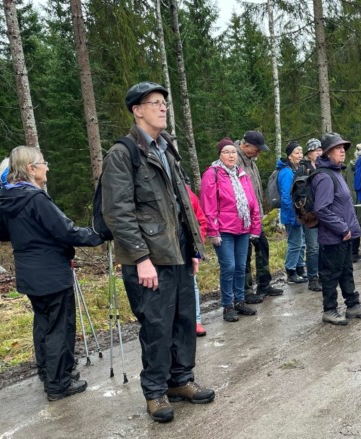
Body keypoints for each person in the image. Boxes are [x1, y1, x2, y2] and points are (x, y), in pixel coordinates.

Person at [101, 81, 214, 422]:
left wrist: (192, 246)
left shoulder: (167, 149)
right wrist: (140, 259)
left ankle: (181, 381)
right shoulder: (122, 154)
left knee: (183, 320)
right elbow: (118, 212)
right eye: (154, 102)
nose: (163, 107)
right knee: (156, 326)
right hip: (148, 260)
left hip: (177, 252)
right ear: (137, 110)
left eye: (164, 102)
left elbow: (182, 204)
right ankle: (155, 392)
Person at [0, 146, 103, 401]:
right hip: (50, 272)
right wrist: (98, 235)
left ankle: (48, 373)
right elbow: (66, 231)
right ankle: (59, 383)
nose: (47, 166)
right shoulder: (34, 198)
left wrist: (21, 234)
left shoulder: (8, 196)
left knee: (44, 324)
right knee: (60, 327)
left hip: (29, 273)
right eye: (43, 162)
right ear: (31, 168)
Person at [312, 133, 361, 325]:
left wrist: (350, 229)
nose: (342, 151)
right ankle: (329, 310)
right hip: (334, 236)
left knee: (346, 270)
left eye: (343, 148)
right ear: (327, 152)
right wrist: (341, 228)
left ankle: (352, 305)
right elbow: (321, 208)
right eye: (337, 148)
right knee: (331, 274)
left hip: (344, 235)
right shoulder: (324, 176)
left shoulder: (336, 172)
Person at [201, 138, 262, 322]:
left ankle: (240, 301)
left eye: (233, 152)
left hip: (243, 227)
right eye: (226, 152)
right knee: (229, 266)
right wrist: (213, 231)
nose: (231, 155)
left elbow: (253, 203)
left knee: (241, 267)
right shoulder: (212, 174)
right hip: (224, 229)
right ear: (220, 155)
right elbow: (208, 204)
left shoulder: (241, 174)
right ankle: (227, 305)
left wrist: (255, 226)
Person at [236, 131, 284, 300]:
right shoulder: (234, 160)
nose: (259, 152)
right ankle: (246, 291)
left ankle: (264, 285)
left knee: (263, 246)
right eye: (257, 149)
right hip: (242, 218)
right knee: (245, 253)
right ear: (246, 145)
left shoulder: (251, 161)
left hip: (255, 216)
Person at [276, 140, 308, 284]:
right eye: (296, 152)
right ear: (289, 156)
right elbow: (286, 197)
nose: (300, 155)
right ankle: (291, 271)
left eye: (301, 152)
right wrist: (294, 215)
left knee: (300, 242)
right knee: (295, 243)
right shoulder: (286, 173)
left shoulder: (295, 170)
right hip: (291, 215)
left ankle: (300, 267)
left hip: (298, 213)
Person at [295, 138, 322, 291]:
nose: (318, 152)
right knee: (313, 247)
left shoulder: (325, 167)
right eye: (315, 150)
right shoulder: (301, 169)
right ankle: (313, 278)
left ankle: (323, 275)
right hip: (310, 214)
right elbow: (297, 193)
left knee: (324, 245)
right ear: (309, 153)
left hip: (325, 212)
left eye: (320, 150)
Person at [186, 185, 208, 336]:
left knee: (192, 285)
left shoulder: (187, 192)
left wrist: (196, 250)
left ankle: (196, 321)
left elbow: (200, 222)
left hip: (186, 248)